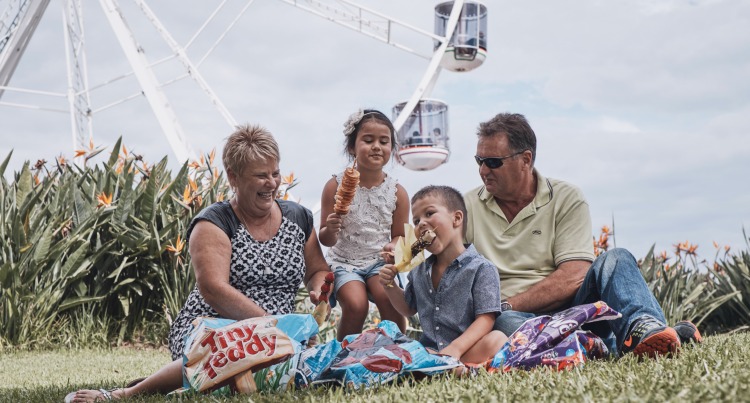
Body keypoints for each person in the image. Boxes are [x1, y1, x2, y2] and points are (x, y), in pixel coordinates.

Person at [65, 124, 331, 402]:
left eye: (275, 173)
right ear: (234, 177)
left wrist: (318, 289)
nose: (273, 183)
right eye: (261, 176)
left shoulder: (298, 217)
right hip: (213, 325)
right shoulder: (214, 222)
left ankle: (182, 378)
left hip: (281, 333)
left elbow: (317, 270)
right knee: (234, 350)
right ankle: (125, 393)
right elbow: (213, 289)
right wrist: (271, 326)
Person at [464, 112, 697, 359]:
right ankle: (619, 344)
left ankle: (644, 329)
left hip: (572, 310)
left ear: (525, 159)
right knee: (506, 323)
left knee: (615, 259)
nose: (483, 170)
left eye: (493, 162)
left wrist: (503, 306)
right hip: (516, 319)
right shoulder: (465, 208)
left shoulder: (567, 198)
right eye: (479, 160)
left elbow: (574, 276)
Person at [379, 185, 507, 365]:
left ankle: (448, 367)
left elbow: (486, 319)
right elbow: (408, 308)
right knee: (395, 347)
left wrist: (455, 349)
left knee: (497, 339)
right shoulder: (419, 270)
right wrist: (389, 285)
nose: (421, 223)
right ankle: (443, 367)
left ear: (456, 218)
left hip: (468, 349)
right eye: (416, 221)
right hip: (430, 350)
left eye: (429, 214)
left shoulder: (481, 268)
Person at [319, 109, 409, 340]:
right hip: (345, 261)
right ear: (352, 147)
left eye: (384, 141)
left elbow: (400, 235)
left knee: (388, 298)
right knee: (356, 305)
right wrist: (330, 229)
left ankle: (397, 347)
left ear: (392, 148)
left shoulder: (397, 193)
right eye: (368, 140)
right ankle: (343, 356)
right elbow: (325, 239)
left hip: (378, 261)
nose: (376, 146)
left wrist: (393, 246)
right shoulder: (334, 186)